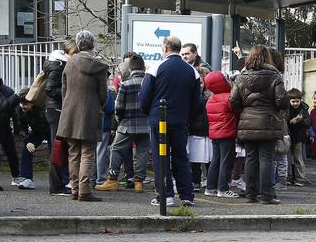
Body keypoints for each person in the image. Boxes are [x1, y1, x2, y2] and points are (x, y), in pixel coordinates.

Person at [139, 35, 202, 207]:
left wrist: (149, 113)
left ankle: (165, 196)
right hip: (181, 121)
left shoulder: (156, 67)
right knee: (181, 157)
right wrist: (187, 116)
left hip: (159, 120)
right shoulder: (192, 71)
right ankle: (186, 195)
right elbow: (197, 101)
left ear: (166, 49)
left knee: (161, 157)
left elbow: (144, 98)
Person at [230, 45, 288, 204]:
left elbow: (233, 102)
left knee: (250, 159)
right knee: (267, 159)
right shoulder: (274, 76)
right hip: (268, 121)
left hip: (247, 121)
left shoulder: (242, 76)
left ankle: (251, 194)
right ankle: (267, 195)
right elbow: (282, 101)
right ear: (267, 57)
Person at [57, 30, 108, 202]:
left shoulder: (69, 64)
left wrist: (68, 107)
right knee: (87, 152)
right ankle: (84, 190)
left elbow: (64, 91)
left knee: (73, 153)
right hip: (90, 112)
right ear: (93, 45)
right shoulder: (98, 66)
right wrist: (96, 106)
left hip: (70, 113)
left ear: (78, 45)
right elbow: (103, 94)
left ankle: (75, 188)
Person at [97, 54, 150, 192]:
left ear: (130, 69)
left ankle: (112, 180)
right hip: (146, 125)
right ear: (143, 67)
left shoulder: (126, 84)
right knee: (142, 153)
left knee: (116, 149)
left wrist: (119, 120)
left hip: (127, 125)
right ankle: (139, 182)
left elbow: (118, 107)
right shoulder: (150, 83)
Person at [39, 39, 77, 195]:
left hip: (54, 108)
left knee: (58, 147)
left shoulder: (57, 63)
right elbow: (50, 89)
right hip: (56, 109)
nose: (76, 56)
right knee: (57, 148)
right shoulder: (58, 66)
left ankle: (59, 183)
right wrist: (67, 95)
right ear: (67, 52)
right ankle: (56, 186)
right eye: (75, 53)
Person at [204, 70, 239, 197]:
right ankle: (223, 189)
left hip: (214, 134)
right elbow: (237, 110)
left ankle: (210, 187)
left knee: (215, 161)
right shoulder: (228, 98)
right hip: (227, 133)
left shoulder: (210, 99)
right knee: (226, 161)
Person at [15, 92, 50, 190]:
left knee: (55, 153)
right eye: (21, 103)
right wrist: (28, 141)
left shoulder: (42, 108)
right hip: (37, 131)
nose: (23, 106)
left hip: (50, 130)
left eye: (25, 103)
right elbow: (21, 128)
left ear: (33, 102)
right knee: (26, 150)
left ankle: (62, 180)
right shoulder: (19, 110)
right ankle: (27, 178)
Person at [285, 88, 310, 186]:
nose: (295, 103)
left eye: (297, 101)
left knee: (298, 158)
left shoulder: (303, 109)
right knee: (286, 158)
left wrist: (301, 120)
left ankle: (300, 178)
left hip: (298, 137)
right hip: (287, 136)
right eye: (293, 101)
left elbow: (308, 123)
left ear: (300, 100)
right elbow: (283, 121)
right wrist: (291, 121)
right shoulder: (286, 109)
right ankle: (288, 177)